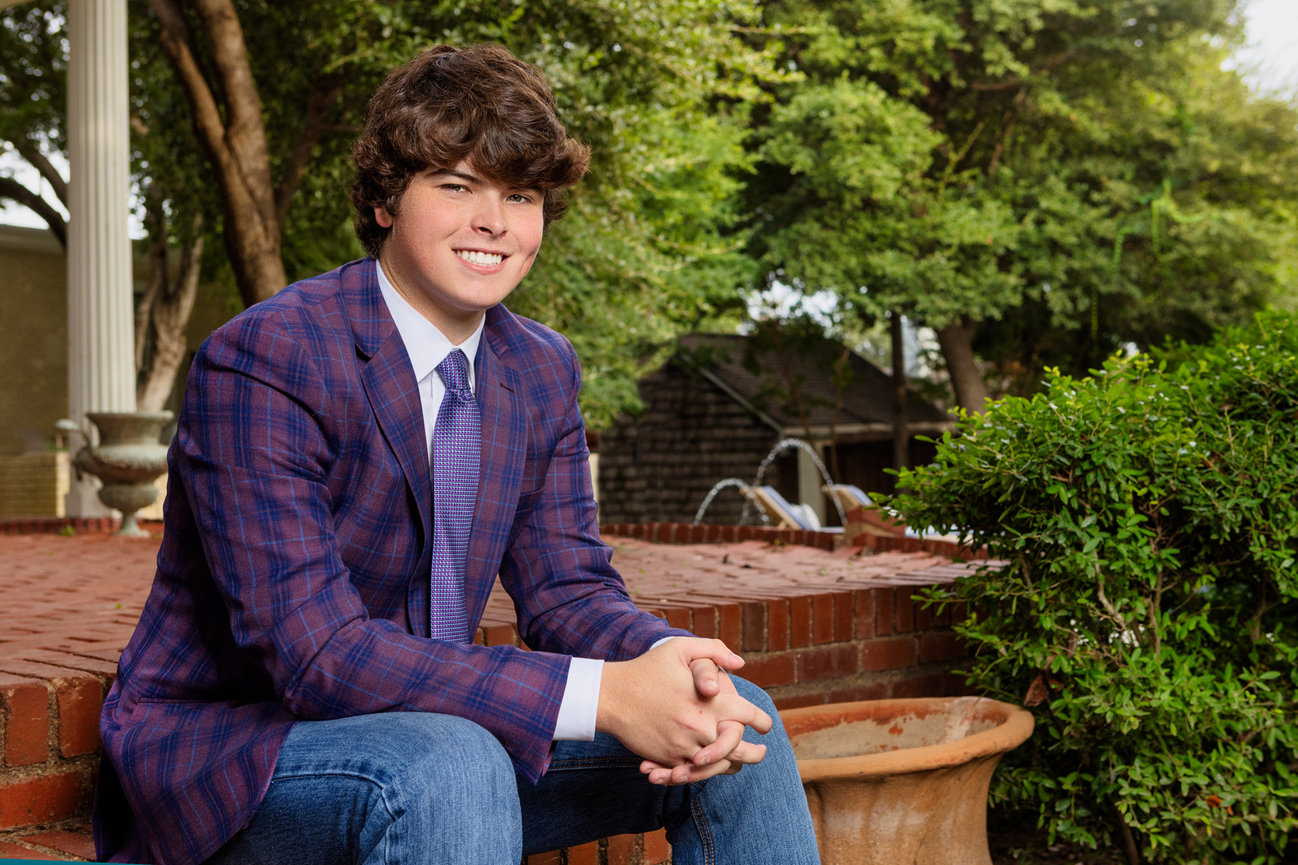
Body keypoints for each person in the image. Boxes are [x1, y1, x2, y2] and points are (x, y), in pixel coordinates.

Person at [93, 43, 820, 865]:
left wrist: (660, 662)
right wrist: (602, 694)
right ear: (384, 201)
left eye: (521, 195)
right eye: (457, 185)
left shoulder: (539, 367)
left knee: (737, 721)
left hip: (436, 739)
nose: (495, 222)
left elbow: (569, 591)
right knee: (452, 760)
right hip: (239, 751)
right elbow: (317, 655)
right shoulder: (268, 357)